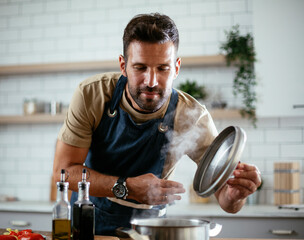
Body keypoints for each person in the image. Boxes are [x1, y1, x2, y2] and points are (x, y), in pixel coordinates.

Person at [53, 13, 261, 236]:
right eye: (140, 68)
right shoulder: (92, 94)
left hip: (148, 232)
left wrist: (234, 197)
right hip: (88, 227)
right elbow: (63, 172)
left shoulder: (191, 116)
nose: (151, 81)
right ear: (123, 65)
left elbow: (225, 199)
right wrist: (128, 187)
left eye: (163, 68)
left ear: (177, 68)